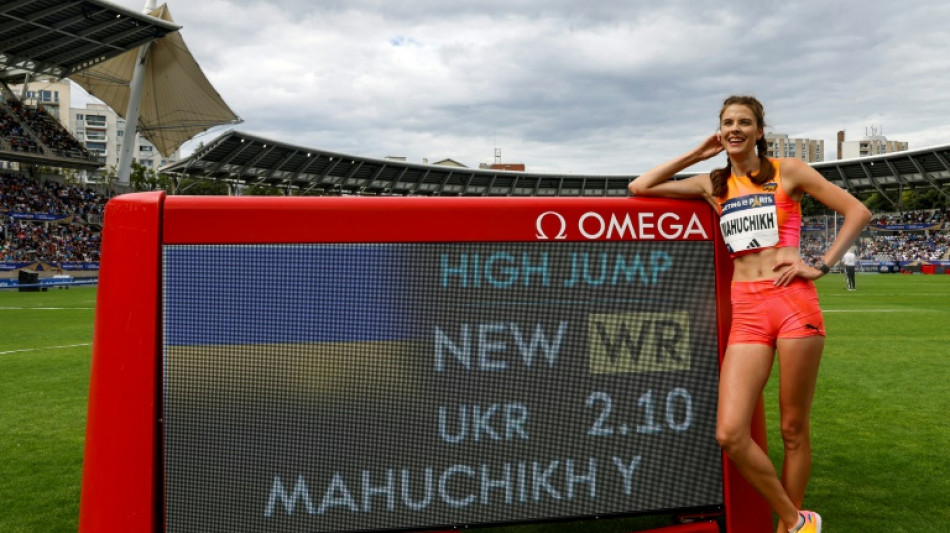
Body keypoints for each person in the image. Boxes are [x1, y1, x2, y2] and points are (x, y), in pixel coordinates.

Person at [628, 95, 870, 533]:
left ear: (760, 131)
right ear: (719, 132)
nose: (734, 129)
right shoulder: (713, 183)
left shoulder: (788, 171)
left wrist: (819, 265)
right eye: (726, 123)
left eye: (744, 123)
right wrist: (697, 155)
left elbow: (857, 211)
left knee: (793, 427)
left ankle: (788, 529)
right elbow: (640, 187)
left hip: (793, 301)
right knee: (730, 433)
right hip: (748, 309)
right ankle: (796, 518)